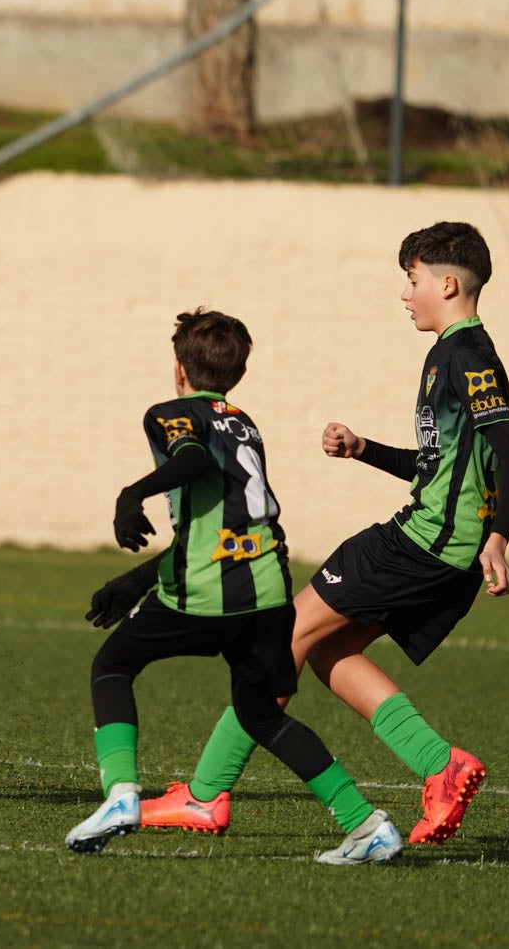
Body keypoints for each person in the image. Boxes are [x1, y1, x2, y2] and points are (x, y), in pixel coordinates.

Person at [141, 222, 509, 846]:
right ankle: (440, 765)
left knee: (281, 637)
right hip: (440, 548)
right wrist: (363, 449)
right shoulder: (457, 356)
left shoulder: (465, 358)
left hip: (424, 542)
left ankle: (206, 793)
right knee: (326, 651)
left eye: (414, 280)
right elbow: (443, 464)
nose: (406, 294)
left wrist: (498, 537)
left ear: (448, 283)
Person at [66, 309, 401, 864]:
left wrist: (132, 494)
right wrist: (137, 579)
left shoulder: (168, 413)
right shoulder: (245, 424)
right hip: (268, 589)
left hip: (209, 588)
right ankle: (367, 826)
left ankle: (122, 794)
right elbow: (218, 519)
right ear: (236, 374)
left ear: (179, 367)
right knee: (261, 715)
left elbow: (191, 459)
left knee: (113, 666)